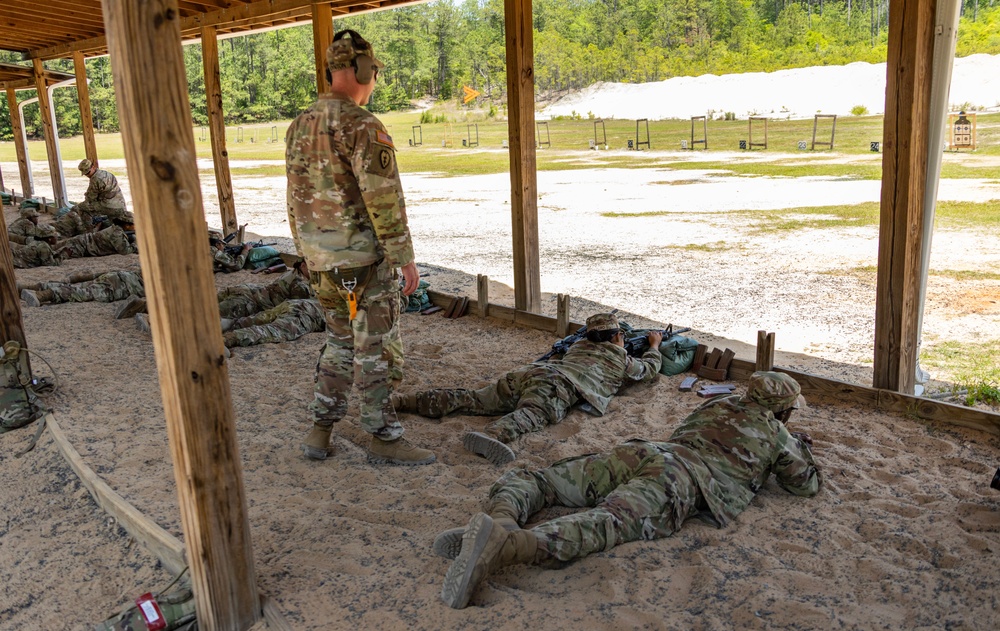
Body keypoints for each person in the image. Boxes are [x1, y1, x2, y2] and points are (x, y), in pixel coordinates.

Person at [435, 371, 822, 609]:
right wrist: (794, 444)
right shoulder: (778, 435)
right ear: (784, 411)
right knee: (609, 522)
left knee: (546, 480)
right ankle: (505, 546)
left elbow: (687, 433)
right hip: (680, 480)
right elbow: (805, 486)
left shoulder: (716, 404)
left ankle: (500, 517)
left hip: (646, 451)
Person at [285, 29, 431, 466]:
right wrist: (403, 258)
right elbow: (383, 200)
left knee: (337, 343)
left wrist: (309, 254)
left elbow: (294, 200)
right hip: (364, 262)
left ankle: (320, 431)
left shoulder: (299, 125)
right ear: (363, 70)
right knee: (376, 349)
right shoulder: (363, 125)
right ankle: (383, 436)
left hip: (322, 264)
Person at [393, 313, 663, 465]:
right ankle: (494, 435)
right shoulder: (619, 359)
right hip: (557, 384)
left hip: (532, 372)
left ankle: (406, 401)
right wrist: (653, 347)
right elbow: (648, 371)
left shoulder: (578, 345)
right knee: (532, 414)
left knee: (473, 399)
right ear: (617, 337)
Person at [54, 160, 132, 237]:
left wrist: (80, 203)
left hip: (109, 206)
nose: (88, 175)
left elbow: (90, 199)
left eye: (88, 173)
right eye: (86, 174)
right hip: (120, 204)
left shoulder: (95, 179)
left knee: (81, 208)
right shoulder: (106, 174)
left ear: (93, 167)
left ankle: (89, 234)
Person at [56, 224, 135, 259]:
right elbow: (125, 251)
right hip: (82, 247)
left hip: (81, 240)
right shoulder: (117, 234)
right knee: (52, 256)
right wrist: (136, 242)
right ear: (127, 225)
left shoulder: (115, 228)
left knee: (53, 248)